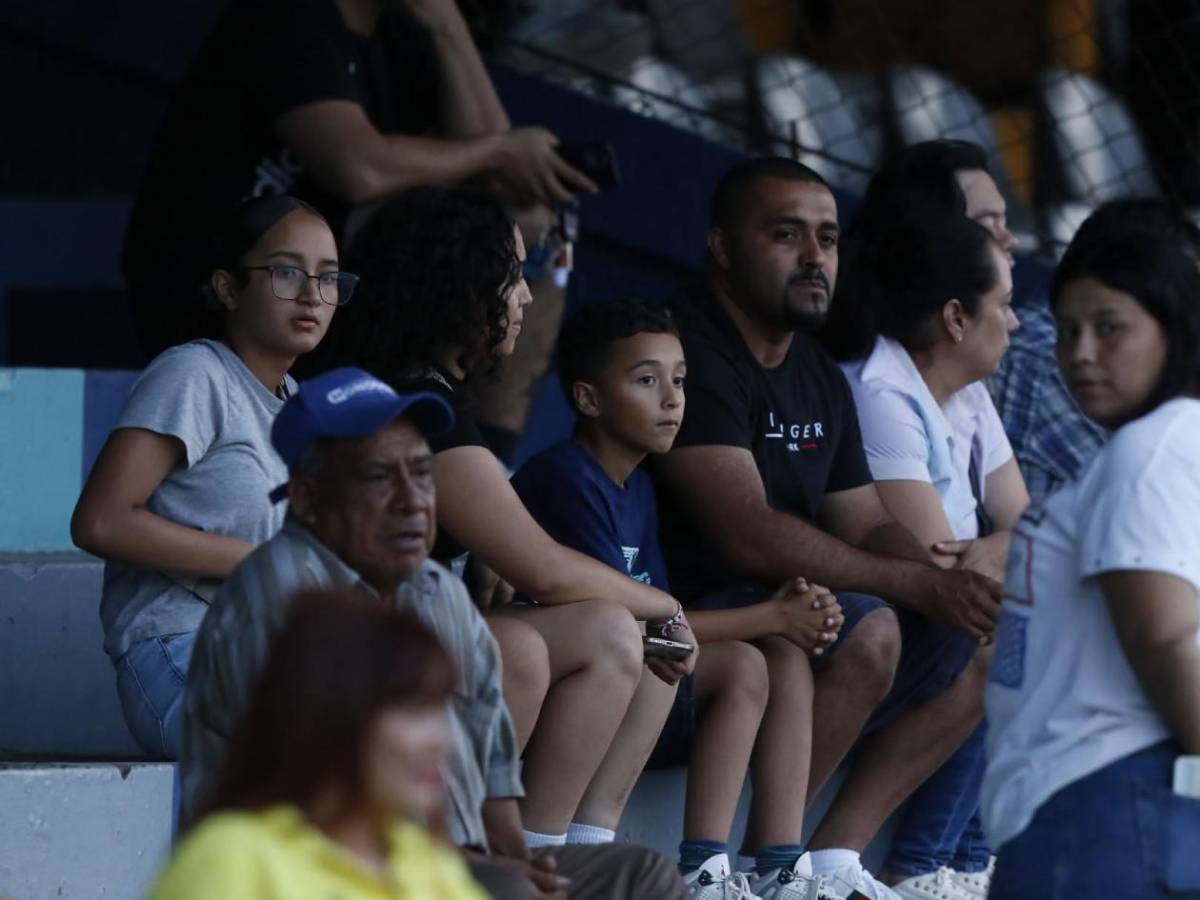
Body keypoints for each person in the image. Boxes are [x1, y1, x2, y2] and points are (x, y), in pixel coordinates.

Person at [181, 366, 689, 900]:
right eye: (380, 477)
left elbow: (493, 764)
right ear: (308, 498)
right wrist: (465, 866)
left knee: (642, 877)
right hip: (308, 873)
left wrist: (515, 856)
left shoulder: (433, 589)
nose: (414, 500)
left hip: (431, 862)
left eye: (422, 473)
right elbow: (297, 812)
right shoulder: (276, 602)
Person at [651, 157, 1003, 900]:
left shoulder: (813, 367)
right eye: (786, 235)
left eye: (828, 239)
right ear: (722, 246)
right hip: (691, 627)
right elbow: (746, 530)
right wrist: (911, 581)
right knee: (872, 625)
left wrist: (941, 587)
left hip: (793, 617)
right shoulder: (689, 350)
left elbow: (867, 520)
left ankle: (826, 859)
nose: (815, 258)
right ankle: (762, 865)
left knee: (979, 635)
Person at [323, 186, 698, 850]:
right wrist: (664, 601)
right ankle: (518, 851)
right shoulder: (414, 398)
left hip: (385, 642)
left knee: (609, 636)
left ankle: (562, 849)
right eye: (512, 277)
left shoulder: (413, 382)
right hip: (342, 656)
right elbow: (546, 571)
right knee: (599, 630)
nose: (524, 298)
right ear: (458, 285)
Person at [511, 298, 845, 899]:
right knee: (676, 651)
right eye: (647, 380)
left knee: (744, 663)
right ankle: (571, 848)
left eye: (681, 380)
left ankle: (704, 868)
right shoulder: (564, 476)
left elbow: (659, 616)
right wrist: (773, 615)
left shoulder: (638, 484)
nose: (672, 398)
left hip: (620, 679)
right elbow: (637, 621)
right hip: (560, 691)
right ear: (588, 399)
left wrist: (775, 618)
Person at [124, 0, 595, 358]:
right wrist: (500, 150)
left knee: (538, 225)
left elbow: (507, 184)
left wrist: (447, 24)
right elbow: (357, 170)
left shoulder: (401, 35)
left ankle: (485, 445)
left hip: (330, 283)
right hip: (220, 280)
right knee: (436, 230)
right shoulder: (290, 18)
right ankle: (424, 411)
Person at [71, 195, 346, 758]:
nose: (312, 294)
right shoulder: (195, 374)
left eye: (329, 278)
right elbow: (99, 521)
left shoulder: (303, 411)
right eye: (287, 272)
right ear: (227, 289)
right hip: (180, 648)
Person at [982, 208, 1200, 899]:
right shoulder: (1155, 446)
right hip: (1090, 809)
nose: (1080, 353)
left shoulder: (1152, 450)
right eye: (1070, 329)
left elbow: (1167, 638)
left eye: (1111, 329)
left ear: (1175, 329)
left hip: (1104, 807)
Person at [835, 204, 1027, 899]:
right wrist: (1006, 548)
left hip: (938, 609)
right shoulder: (882, 389)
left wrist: (1003, 543)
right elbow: (934, 563)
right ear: (954, 318)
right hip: (883, 610)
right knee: (1004, 631)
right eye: (1003, 306)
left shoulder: (970, 392)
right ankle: (901, 865)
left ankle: (959, 860)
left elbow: (1026, 528)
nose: (1015, 322)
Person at [152, 589, 488, 899]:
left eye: (441, 713)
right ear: (335, 712)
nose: (446, 743)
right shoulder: (232, 858)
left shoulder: (429, 863)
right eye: (415, 711)